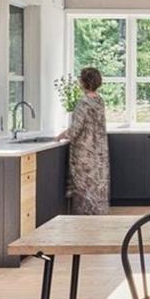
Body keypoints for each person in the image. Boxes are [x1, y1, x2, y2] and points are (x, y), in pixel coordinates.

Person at [56, 67, 109, 214]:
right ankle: (97, 214)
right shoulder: (100, 100)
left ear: (83, 82)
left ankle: (85, 218)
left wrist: (61, 136)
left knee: (84, 185)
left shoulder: (83, 103)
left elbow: (75, 130)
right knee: (97, 184)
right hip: (99, 150)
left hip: (84, 152)